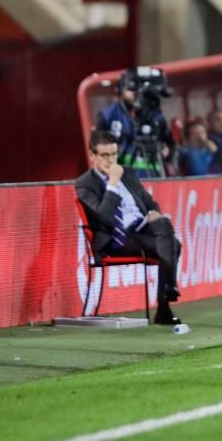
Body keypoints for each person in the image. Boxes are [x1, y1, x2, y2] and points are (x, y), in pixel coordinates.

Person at [75, 131, 183, 326]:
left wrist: (154, 213)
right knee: (173, 244)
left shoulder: (129, 173)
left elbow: (150, 202)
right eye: (104, 155)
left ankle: (167, 295)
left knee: (164, 224)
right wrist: (113, 183)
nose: (110, 160)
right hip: (117, 238)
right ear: (92, 156)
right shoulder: (85, 184)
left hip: (142, 229)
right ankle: (165, 303)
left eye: (114, 155)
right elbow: (105, 217)